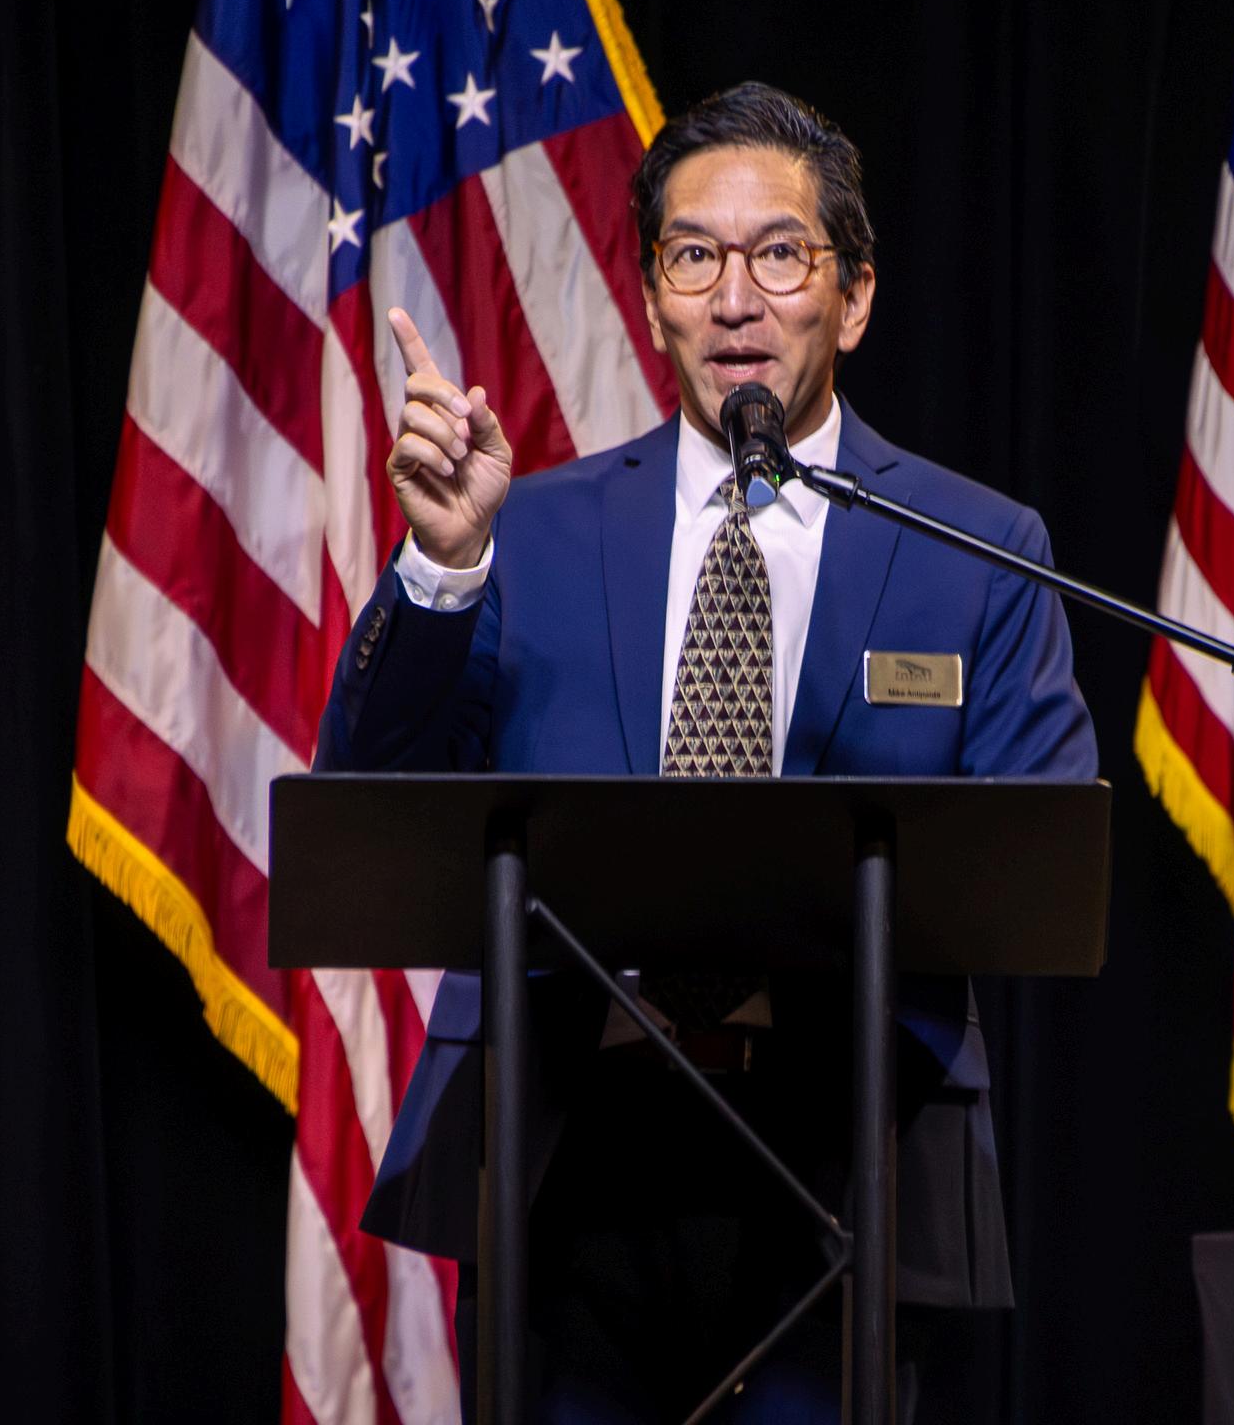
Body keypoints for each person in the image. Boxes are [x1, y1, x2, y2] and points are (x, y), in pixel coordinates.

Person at [315, 82, 1097, 1419]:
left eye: (780, 254)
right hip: (568, 1154)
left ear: (852, 297)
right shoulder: (527, 532)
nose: (736, 300)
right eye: (694, 256)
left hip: (849, 1152)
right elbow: (367, 796)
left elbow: (1043, 864)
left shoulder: (975, 552)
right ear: (652, 299)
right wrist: (442, 568)